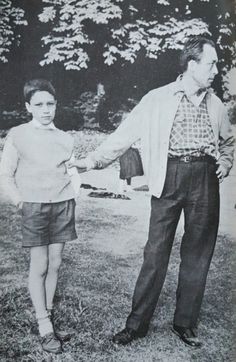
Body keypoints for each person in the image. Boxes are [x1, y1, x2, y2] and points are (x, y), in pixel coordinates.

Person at [70, 36, 234, 348]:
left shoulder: (217, 104)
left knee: (198, 254)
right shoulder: (157, 99)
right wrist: (91, 161)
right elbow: (124, 135)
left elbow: (227, 141)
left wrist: (225, 162)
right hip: (168, 176)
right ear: (191, 65)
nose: (216, 69)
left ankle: (184, 323)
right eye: (211, 63)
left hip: (205, 179)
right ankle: (137, 325)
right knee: (155, 252)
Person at [0, 79, 81, 354]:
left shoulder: (64, 138)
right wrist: (20, 201)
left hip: (62, 205)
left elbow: (72, 171)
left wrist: (74, 192)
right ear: (28, 107)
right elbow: (5, 174)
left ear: (56, 105)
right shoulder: (18, 135)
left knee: (56, 263)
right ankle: (44, 324)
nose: (45, 110)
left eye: (50, 104)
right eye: (39, 105)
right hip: (34, 206)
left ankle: (47, 315)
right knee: (41, 264)